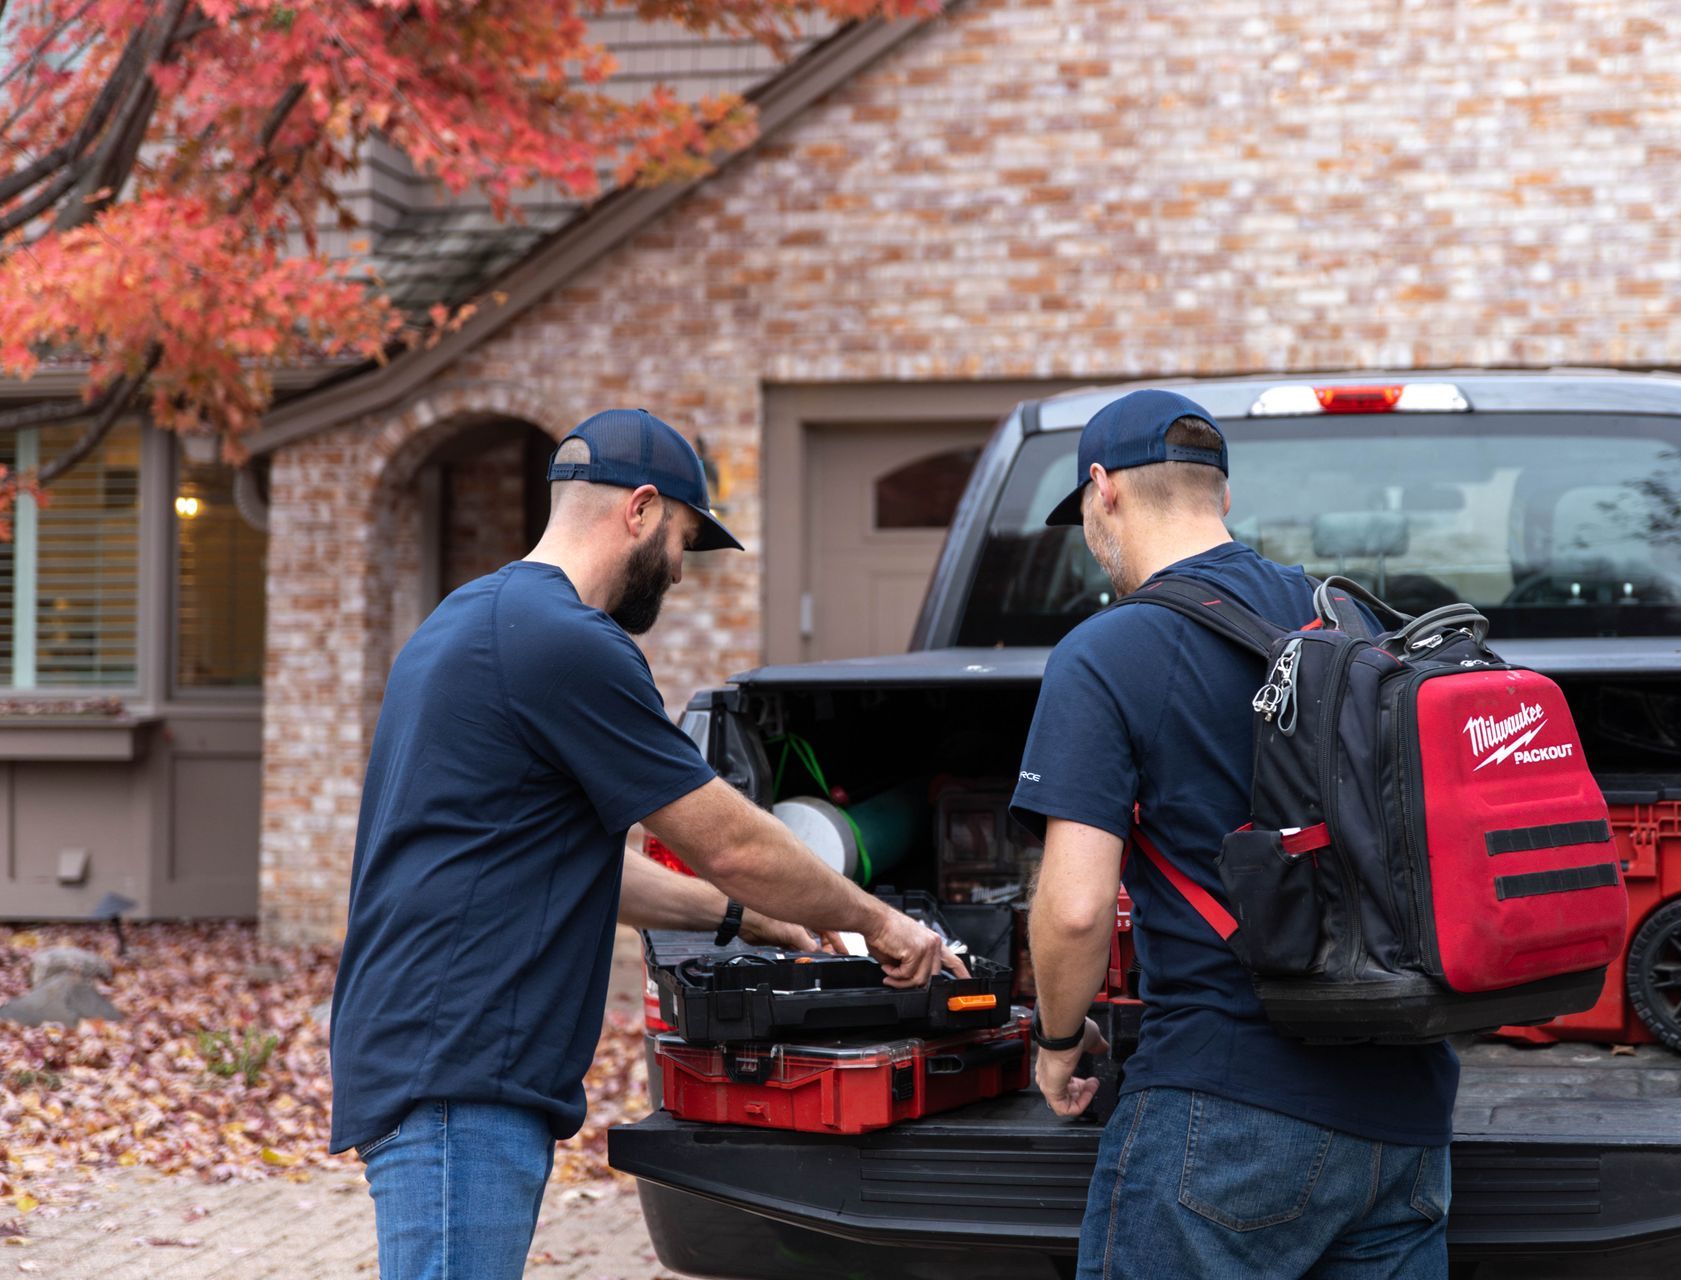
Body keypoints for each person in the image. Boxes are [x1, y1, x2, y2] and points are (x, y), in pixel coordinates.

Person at [328, 408, 959, 1280]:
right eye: (683, 541)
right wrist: (881, 924)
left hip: (441, 1056)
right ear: (642, 509)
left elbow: (578, 867)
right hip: (458, 1075)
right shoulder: (569, 643)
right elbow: (727, 839)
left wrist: (744, 918)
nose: (677, 571)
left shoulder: (471, 618)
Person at [1012, 389, 1459, 1279]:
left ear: (1104, 491)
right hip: (1406, 1112)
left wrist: (1060, 1045)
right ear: (1221, 495)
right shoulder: (1349, 621)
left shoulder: (1106, 652)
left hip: (1226, 1114)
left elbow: (1072, 909)